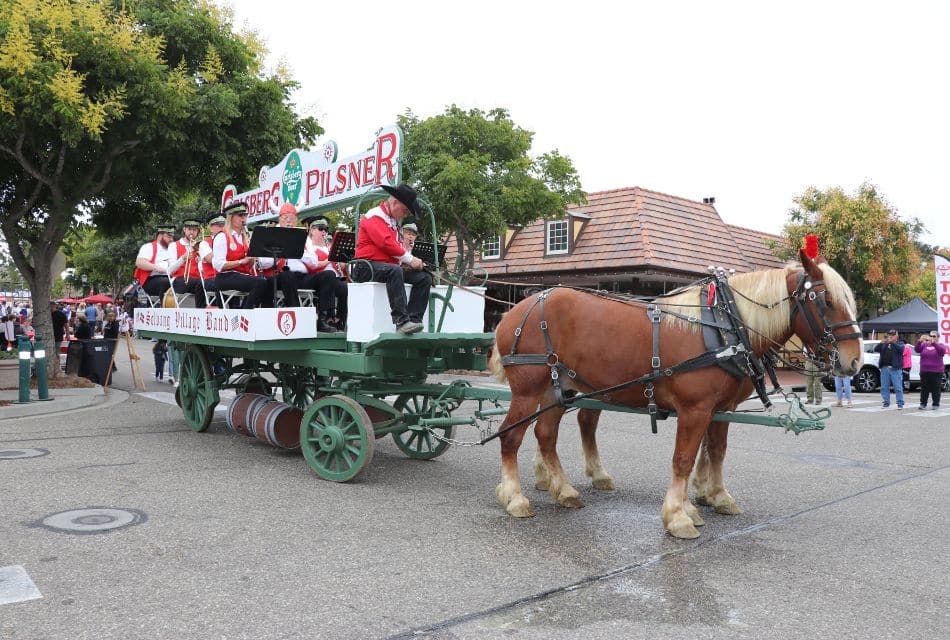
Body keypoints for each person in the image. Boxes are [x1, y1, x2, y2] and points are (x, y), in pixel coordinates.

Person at [351, 183, 431, 334]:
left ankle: (414, 320)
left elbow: (395, 250)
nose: (406, 214)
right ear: (395, 203)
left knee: (424, 277)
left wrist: (407, 263)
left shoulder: (392, 222)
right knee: (394, 271)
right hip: (365, 267)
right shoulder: (374, 215)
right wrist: (411, 260)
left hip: (384, 268)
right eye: (405, 210)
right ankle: (401, 322)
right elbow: (386, 244)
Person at [211, 202, 269, 309]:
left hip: (241, 275)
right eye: (240, 215)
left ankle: (245, 311)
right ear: (230, 218)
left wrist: (252, 258)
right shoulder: (222, 236)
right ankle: (245, 313)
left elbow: (250, 264)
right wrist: (241, 261)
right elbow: (218, 265)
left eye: (245, 215)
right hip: (225, 276)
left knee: (266, 282)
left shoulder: (245, 238)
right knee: (259, 283)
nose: (244, 218)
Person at [302, 215, 347, 331]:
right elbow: (312, 266)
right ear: (312, 230)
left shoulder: (329, 247)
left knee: (344, 287)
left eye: (326, 229)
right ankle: (325, 318)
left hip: (332, 279)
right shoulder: (307, 245)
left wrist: (344, 260)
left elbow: (341, 267)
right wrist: (330, 258)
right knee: (329, 276)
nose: (324, 232)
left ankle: (340, 319)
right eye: (321, 228)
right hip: (316, 278)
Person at [134, 226, 185, 299]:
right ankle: (166, 308)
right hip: (152, 279)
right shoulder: (148, 247)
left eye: (172, 237)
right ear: (160, 236)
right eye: (169, 237)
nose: (171, 240)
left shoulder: (173, 249)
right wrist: (156, 268)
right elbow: (139, 262)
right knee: (166, 282)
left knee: (185, 282)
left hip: (172, 278)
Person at [170, 219, 207, 307]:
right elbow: (170, 270)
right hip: (179, 281)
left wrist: (201, 261)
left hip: (197, 281)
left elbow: (204, 271)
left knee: (211, 284)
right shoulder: (174, 245)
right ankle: (201, 311)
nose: (192, 232)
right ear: (184, 230)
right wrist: (182, 258)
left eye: (194, 230)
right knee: (202, 284)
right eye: (189, 229)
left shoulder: (200, 246)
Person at [197, 215, 226, 306]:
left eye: (223, 225)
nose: (221, 227)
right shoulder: (204, 243)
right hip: (211, 278)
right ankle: (221, 311)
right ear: (210, 227)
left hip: (228, 275)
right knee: (225, 283)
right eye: (218, 225)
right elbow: (210, 259)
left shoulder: (230, 240)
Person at [874, 329, 905, 409]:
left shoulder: (900, 343)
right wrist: (880, 343)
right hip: (884, 368)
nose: (890, 336)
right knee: (884, 387)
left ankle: (900, 403)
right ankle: (886, 402)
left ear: (896, 336)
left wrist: (892, 342)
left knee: (897, 387)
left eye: (892, 335)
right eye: (889, 335)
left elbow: (901, 349)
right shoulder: (884, 344)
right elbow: (876, 349)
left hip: (895, 369)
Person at [915, 331, 946, 410]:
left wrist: (934, 343)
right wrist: (919, 341)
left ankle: (935, 404)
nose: (932, 337)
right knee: (924, 388)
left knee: (935, 388)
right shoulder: (924, 344)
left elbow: (942, 352)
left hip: (936, 371)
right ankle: (923, 403)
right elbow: (917, 350)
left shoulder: (940, 345)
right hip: (924, 370)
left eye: (934, 336)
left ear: (938, 337)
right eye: (931, 336)